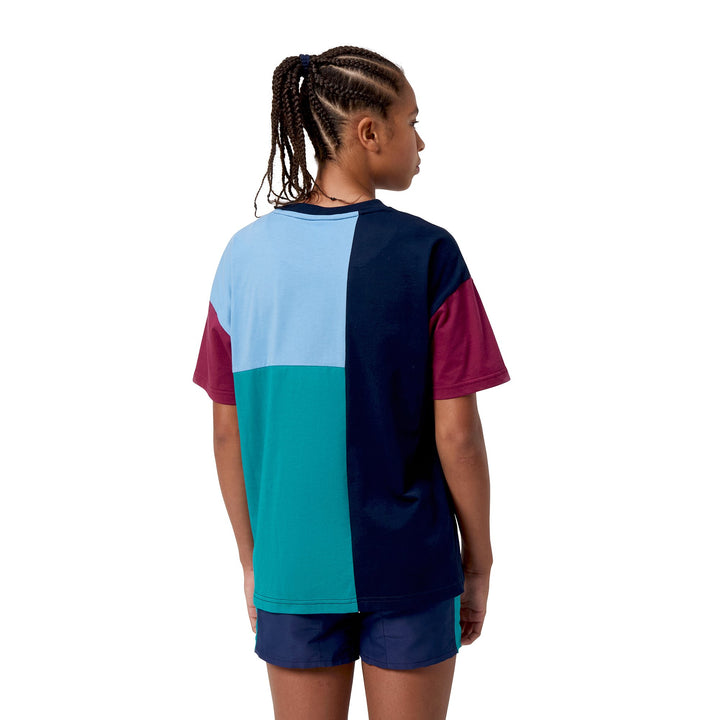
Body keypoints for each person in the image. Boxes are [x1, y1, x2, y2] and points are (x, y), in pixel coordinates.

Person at [193, 45, 511, 720]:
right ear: (369, 132)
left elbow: (226, 432)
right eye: (411, 122)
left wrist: (253, 561)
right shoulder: (429, 253)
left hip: (291, 563)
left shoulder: (243, 257)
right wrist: (479, 561)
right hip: (410, 563)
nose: (420, 142)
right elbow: (458, 436)